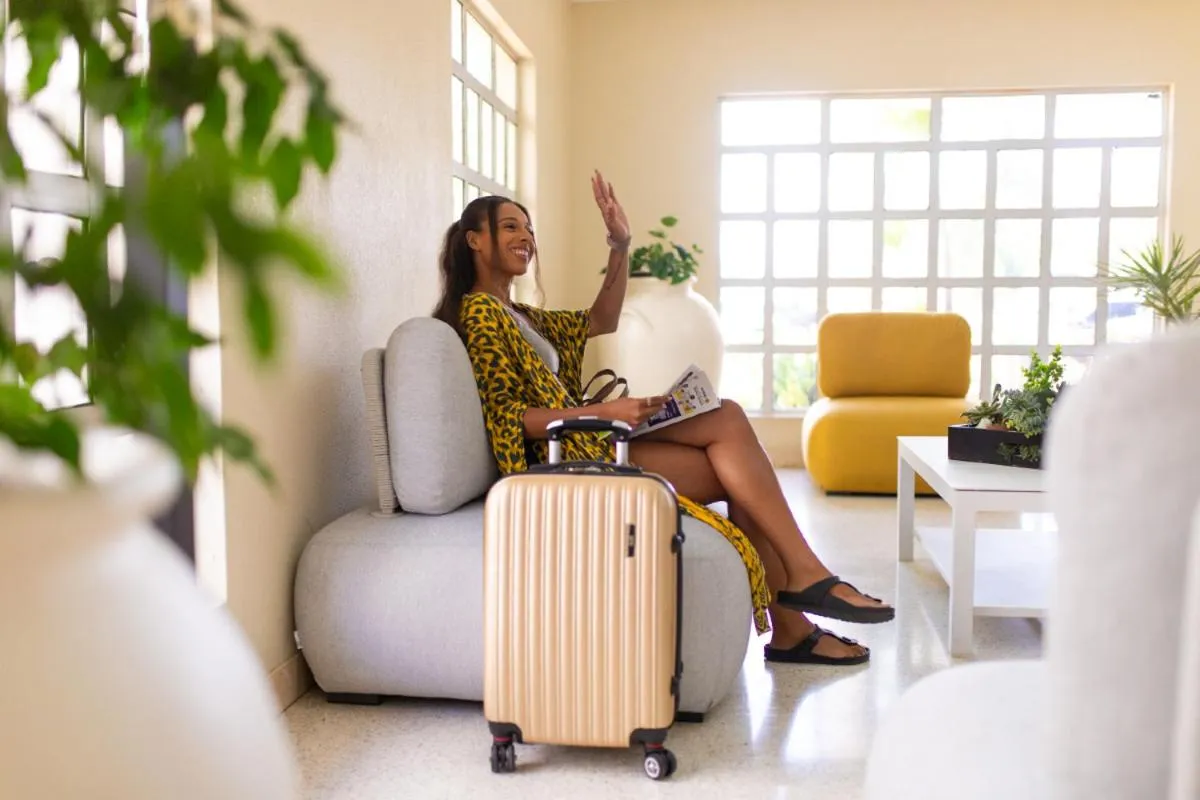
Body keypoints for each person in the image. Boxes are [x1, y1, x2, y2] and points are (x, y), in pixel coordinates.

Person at [432, 171, 894, 666]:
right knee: (736, 469)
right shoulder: (480, 313)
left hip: (590, 439)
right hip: (565, 458)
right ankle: (797, 611)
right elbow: (510, 418)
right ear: (474, 240)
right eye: (508, 227)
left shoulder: (521, 314)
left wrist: (620, 243)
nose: (525, 237)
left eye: (527, 228)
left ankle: (801, 600)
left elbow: (601, 320)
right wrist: (603, 412)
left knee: (726, 416)